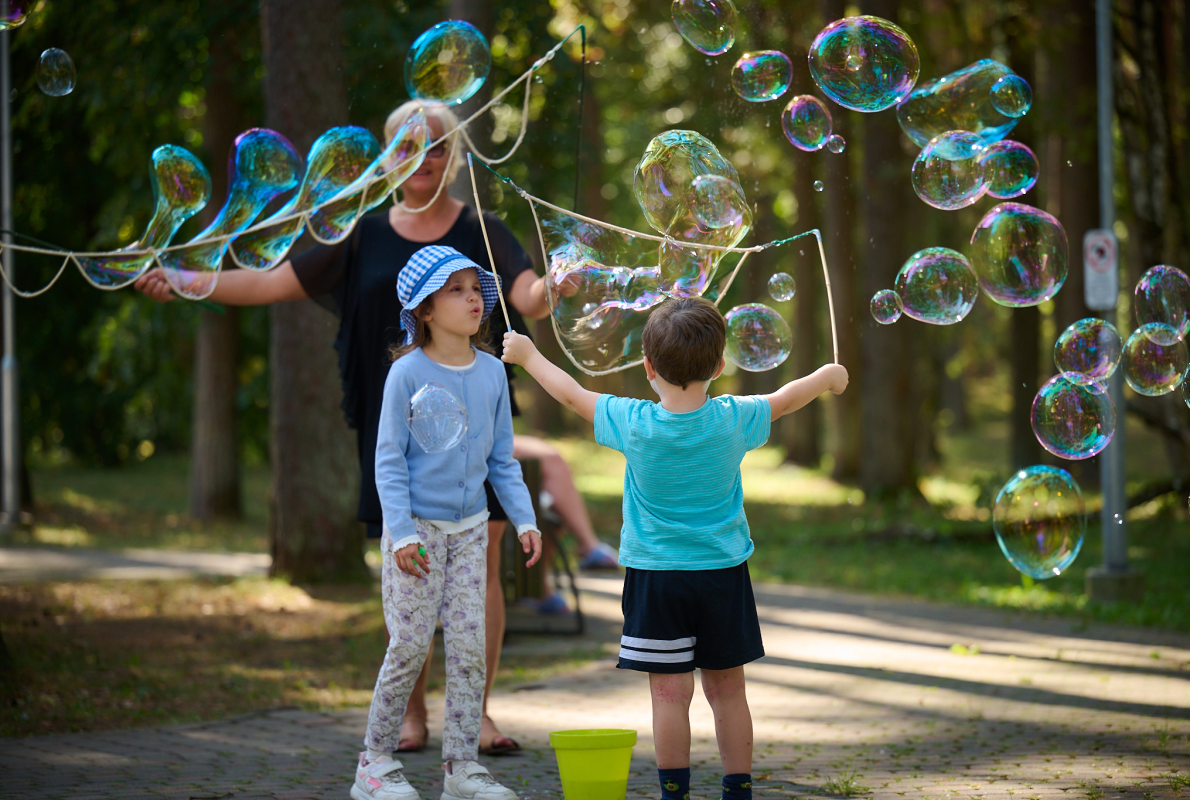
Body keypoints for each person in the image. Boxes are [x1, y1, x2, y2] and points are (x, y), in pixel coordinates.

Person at [134, 99, 617, 754]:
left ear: (457, 158)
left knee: (481, 570)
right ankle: (414, 714)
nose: (423, 159)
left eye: (438, 146)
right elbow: (270, 283)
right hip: (400, 432)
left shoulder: (484, 228)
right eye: (407, 147)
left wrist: (555, 284)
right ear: (388, 159)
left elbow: (526, 295)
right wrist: (185, 281)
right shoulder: (361, 234)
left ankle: (474, 714)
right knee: (411, 571)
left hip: (478, 427)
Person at [501, 296, 848, 800]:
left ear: (648, 367)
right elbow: (789, 396)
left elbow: (575, 396)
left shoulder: (634, 422)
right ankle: (737, 791)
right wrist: (829, 376)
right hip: (722, 576)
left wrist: (530, 356)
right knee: (728, 692)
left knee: (668, 693)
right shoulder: (735, 418)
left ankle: (673, 794)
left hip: (656, 579)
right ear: (720, 365)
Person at [356, 244, 541, 800]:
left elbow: (502, 459)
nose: (472, 299)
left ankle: (461, 768)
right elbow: (387, 461)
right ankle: (374, 765)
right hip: (415, 532)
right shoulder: (405, 373)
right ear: (426, 310)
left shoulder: (491, 373)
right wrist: (402, 534)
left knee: (468, 648)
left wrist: (525, 517)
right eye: (455, 290)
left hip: (470, 531)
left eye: (474, 289)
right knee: (410, 645)